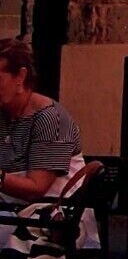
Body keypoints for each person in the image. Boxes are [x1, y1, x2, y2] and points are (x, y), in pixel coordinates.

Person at [0, 41, 80, 206]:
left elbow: (36, 189)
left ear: (21, 77)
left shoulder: (50, 118)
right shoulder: (4, 113)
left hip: (45, 220)